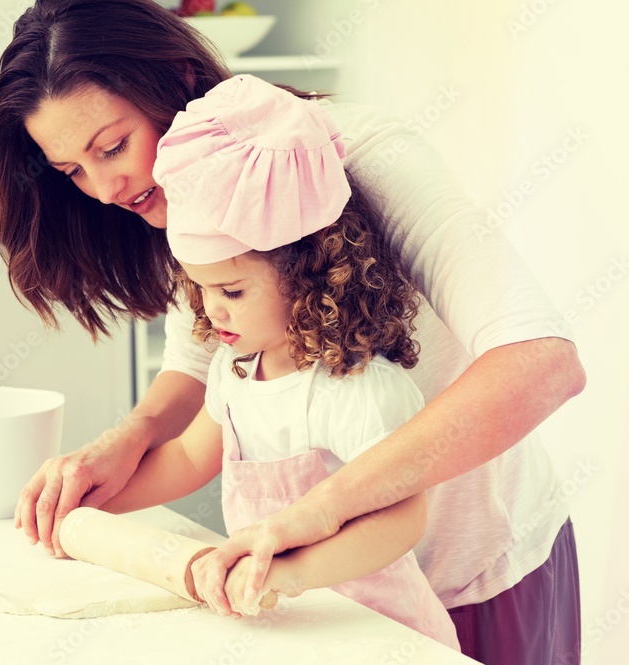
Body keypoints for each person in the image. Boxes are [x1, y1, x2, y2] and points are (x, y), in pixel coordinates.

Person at [0, 1, 586, 662]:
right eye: (72, 171)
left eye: (112, 146)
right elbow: (197, 364)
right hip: (335, 604)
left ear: (177, 79)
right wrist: (122, 444)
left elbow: (542, 362)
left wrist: (317, 515)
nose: (103, 188)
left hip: (483, 574)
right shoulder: (192, 200)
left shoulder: (361, 155)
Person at [100, 74, 460, 650]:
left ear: (307, 275)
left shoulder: (356, 389)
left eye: (233, 292)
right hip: (286, 624)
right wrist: (94, 503)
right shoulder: (235, 369)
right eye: (201, 290)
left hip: (373, 631)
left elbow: (402, 518)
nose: (214, 309)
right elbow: (194, 456)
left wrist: (289, 572)